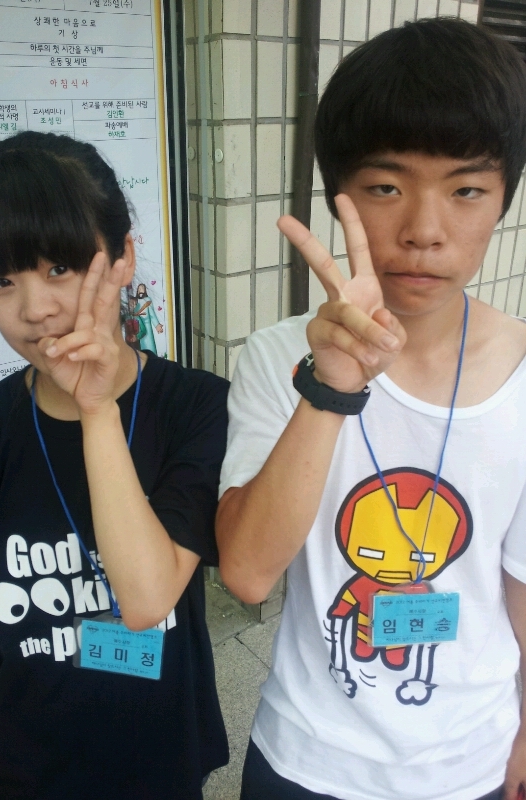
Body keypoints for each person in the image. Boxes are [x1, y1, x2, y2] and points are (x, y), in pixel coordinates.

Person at [216, 18, 526, 800]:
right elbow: (247, 575)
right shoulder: (275, 357)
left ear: (503, 200)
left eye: (466, 189)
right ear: (339, 196)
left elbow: (521, 584)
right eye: (387, 187)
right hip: (306, 758)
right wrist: (332, 386)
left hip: (470, 763)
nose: (424, 231)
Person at [0, 131, 229, 800]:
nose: (34, 309)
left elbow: (146, 600)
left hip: (160, 760)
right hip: (27, 768)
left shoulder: (197, 408)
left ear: (123, 257)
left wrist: (96, 411)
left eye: (59, 267)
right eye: (2, 280)